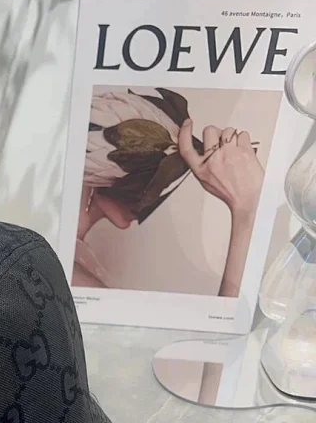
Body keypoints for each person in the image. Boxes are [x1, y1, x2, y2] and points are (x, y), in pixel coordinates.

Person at [74, 89, 265, 298]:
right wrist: (247, 211)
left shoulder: (78, 260)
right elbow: (228, 319)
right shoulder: (75, 276)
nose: (150, 201)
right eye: (151, 181)